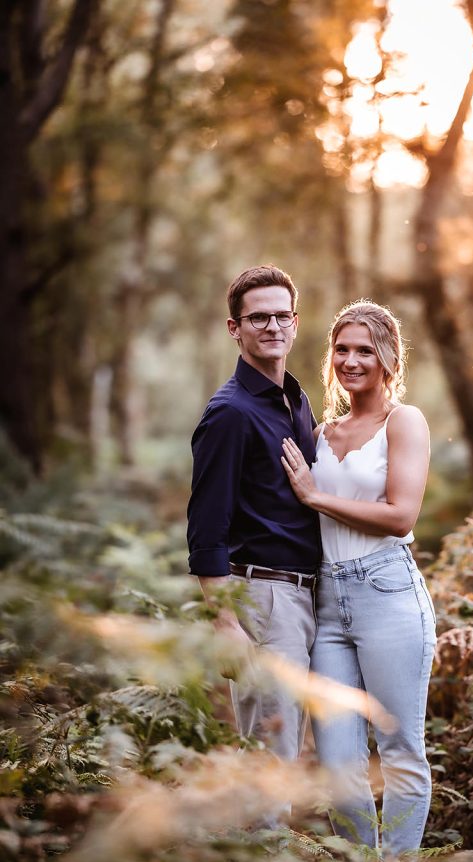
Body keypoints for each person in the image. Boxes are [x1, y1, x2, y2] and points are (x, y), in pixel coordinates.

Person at [281, 300, 436, 858]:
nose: (351, 360)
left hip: (389, 592)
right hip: (327, 602)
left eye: (365, 350)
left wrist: (315, 497)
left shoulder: (404, 421)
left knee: (399, 748)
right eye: (342, 349)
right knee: (339, 758)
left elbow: (401, 516)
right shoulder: (320, 433)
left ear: (389, 358)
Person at [187, 264, 321, 760]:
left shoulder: (296, 398)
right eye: (258, 318)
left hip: (309, 596)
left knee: (291, 744)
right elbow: (206, 529)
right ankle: (261, 842)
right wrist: (225, 622)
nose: (273, 327)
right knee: (271, 752)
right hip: (264, 600)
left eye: (282, 316)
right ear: (234, 328)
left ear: (296, 322)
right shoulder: (230, 413)